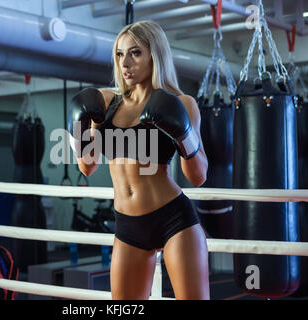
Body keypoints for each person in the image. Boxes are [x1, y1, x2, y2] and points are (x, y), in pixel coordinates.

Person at [68, 20, 209, 300]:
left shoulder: (182, 104)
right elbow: (87, 166)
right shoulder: (106, 103)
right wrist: (78, 128)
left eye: (135, 53)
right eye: (119, 54)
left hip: (173, 218)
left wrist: (183, 134)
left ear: (154, 55)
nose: (125, 63)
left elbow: (199, 176)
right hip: (128, 225)